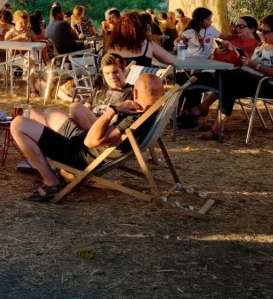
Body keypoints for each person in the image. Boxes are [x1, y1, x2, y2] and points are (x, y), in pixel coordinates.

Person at [11, 73, 165, 202]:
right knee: (51, 112)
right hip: (83, 144)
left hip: (80, 155)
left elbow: (90, 141)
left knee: (18, 124)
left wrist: (113, 110)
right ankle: (46, 151)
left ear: (136, 93)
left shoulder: (133, 120)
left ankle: (52, 182)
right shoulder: (153, 113)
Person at [200, 13, 273, 141]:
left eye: (266, 32)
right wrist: (235, 50)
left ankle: (206, 114)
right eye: (261, 30)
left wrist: (255, 65)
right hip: (254, 80)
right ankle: (214, 125)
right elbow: (250, 63)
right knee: (226, 80)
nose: (262, 34)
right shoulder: (262, 46)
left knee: (228, 81)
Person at [180, 16, 260, 122]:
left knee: (193, 81)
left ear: (252, 28)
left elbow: (247, 62)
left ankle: (190, 119)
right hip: (216, 70)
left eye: (242, 26)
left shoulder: (256, 46)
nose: (238, 29)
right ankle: (180, 113)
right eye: (237, 26)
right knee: (181, 78)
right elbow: (216, 56)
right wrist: (217, 51)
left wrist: (234, 49)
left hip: (230, 76)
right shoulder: (234, 38)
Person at [104, 11, 174, 67]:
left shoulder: (112, 48)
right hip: (143, 83)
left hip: (120, 83)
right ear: (141, 28)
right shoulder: (147, 45)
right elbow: (171, 60)